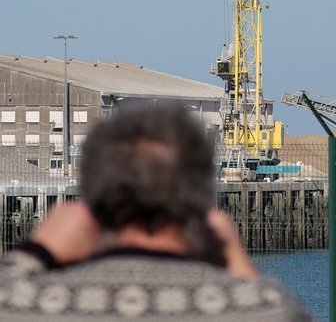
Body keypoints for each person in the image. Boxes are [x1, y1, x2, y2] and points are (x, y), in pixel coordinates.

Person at [0, 105, 310, 321]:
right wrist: (236, 260)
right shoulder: (265, 309)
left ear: (91, 198)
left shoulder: (28, 305)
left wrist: (37, 251)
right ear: (201, 197)